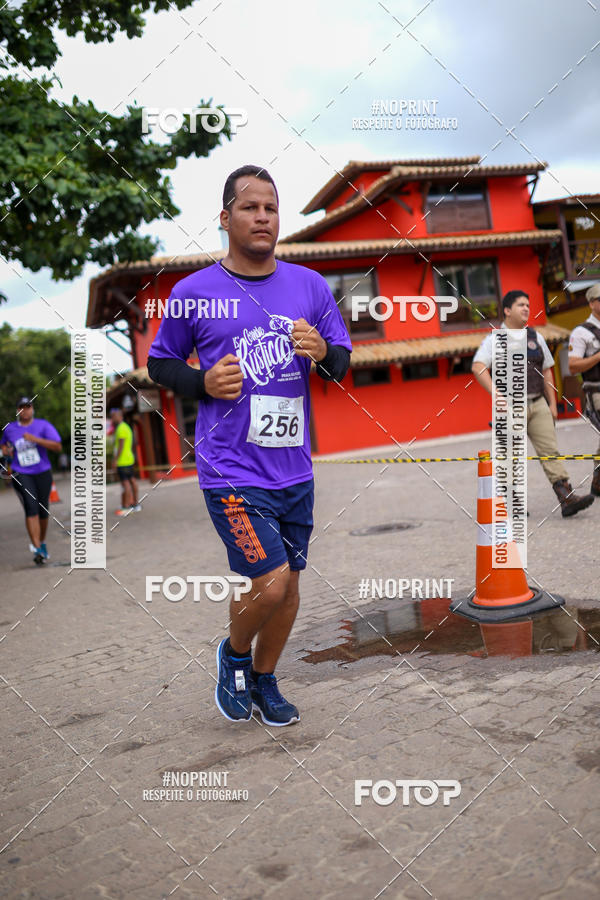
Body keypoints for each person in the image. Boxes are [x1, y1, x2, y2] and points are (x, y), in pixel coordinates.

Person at [147, 164, 352, 726]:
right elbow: (160, 363)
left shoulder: (309, 286)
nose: (263, 217)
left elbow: (340, 363)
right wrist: (202, 381)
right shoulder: (194, 292)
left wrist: (323, 353)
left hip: (294, 470)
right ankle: (234, 656)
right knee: (270, 581)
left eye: (271, 208)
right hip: (230, 470)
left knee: (290, 590)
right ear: (225, 217)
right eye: (250, 207)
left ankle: (265, 679)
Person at [472, 290, 594, 517]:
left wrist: (552, 403)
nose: (526, 308)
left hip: (538, 404)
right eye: (521, 305)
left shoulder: (535, 337)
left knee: (550, 451)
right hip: (510, 407)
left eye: (528, 305)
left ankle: (566, 497)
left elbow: (547, 370)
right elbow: (478, 366)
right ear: (507, 311)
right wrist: (496, 395)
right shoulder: (494, 340)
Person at [0, 397, 62, 564]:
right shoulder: (10, 428)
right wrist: (5, 450)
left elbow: (57, 446)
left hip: (42, 472)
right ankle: (37, 549)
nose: (25, 410)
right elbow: (3, 445)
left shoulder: (43, 425)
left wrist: (36, 440)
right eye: (22, 407)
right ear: (18, 410)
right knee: (31, 507)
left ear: (32, 409)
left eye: (28, 407)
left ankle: (41, 542)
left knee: (43, 511)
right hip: (21, 472)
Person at [567, 283, 600, 496]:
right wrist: (598, 356)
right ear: (591, 303)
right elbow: (573, 366)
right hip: (596, 391)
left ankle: (598, 481)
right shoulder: (581, 332)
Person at [110, 408, 141, 515]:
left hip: (122, 461)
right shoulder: (126, 427)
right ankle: (135, 504)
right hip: (129, 459)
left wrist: (115, 460)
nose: (112, 418)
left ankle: (127, 506)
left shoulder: (121, 428)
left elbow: (121, 446)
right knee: (132, 480)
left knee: (126, 483)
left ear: (120, 416)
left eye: (114, 416)